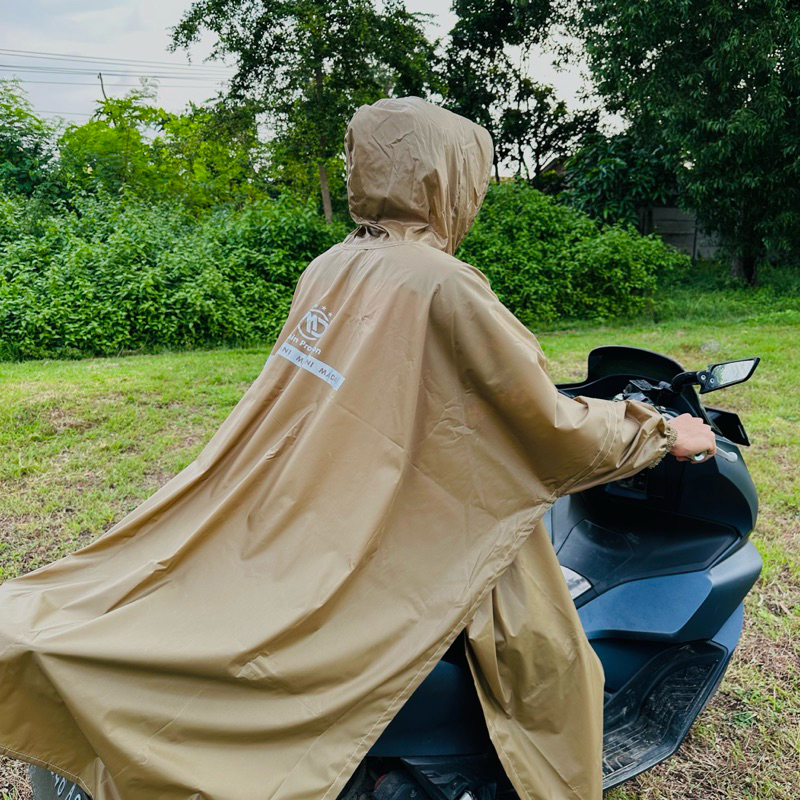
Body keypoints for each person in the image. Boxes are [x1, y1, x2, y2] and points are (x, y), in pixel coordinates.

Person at [0, 97, 715, 800]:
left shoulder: (331, 265)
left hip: (314, 494)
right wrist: (660, 432)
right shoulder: (443, 284)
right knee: (550, 664)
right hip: (398, 519)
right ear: (448, 179)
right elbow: (546, 425)